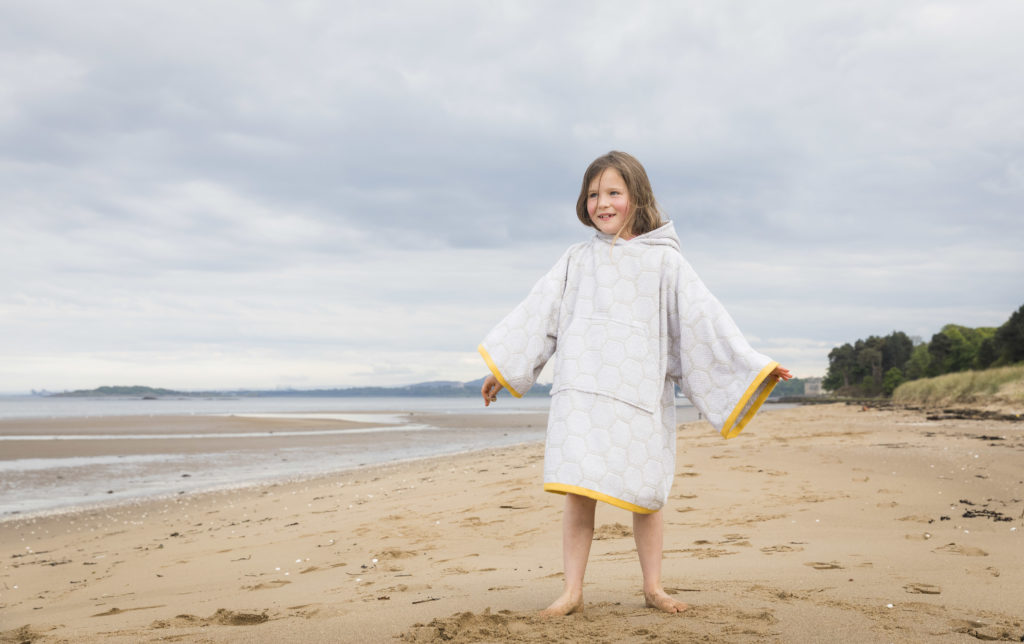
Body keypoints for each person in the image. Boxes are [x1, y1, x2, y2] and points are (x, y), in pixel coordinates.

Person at [478, 151, 792, 616]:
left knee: (647, 494)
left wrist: (752, 365)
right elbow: (540, 317)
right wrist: (505, 369)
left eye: (613, 193)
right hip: (582, 393)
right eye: (593, 194)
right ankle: (572, 590)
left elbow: (703, 322)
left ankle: (653, 587)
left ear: (635, 197)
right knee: (579, 489)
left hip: (639, 394)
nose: (602, 203)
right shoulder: (576, 261)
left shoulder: (666, 264)